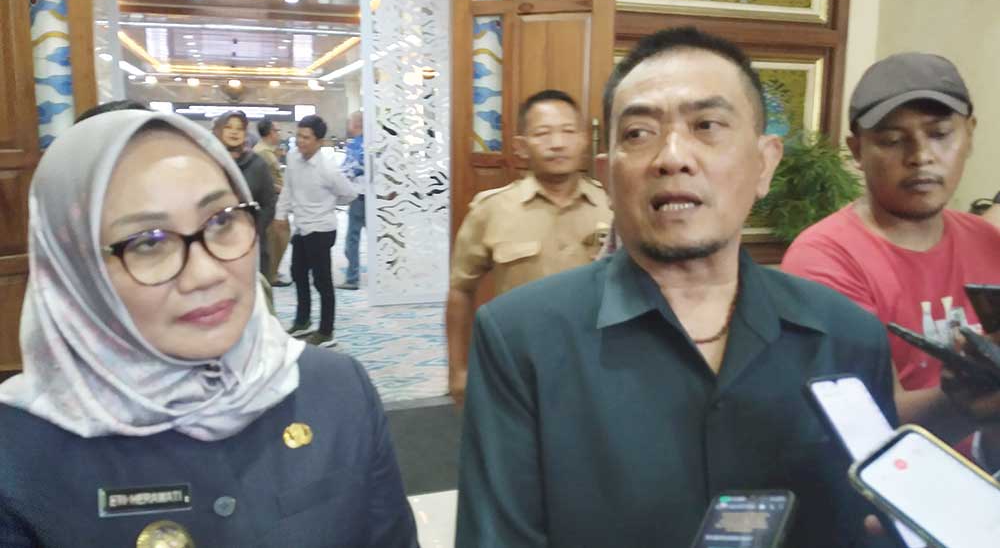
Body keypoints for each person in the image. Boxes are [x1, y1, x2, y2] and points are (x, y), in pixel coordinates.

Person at [456, 27, 898, 548]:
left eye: (706, 126)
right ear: (608, 175)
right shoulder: (519, 338)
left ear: (764, 164)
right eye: (638, 133)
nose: (672, 157)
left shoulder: (848, 337)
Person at [0, 110, 416, 547]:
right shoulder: (18, 453)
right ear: (74, 270)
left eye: (221, 221)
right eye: (148, 242)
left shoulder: (335, 389)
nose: (205, 273)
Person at [781, 53, 1000, 448]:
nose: (920, 156)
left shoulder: (988, 242)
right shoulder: (823, 260)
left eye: (940, 134)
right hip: (900, 481)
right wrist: (965, 400)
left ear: (969, 134)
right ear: (857, 150)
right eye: (892, 141)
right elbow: (862, 428)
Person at [446, 89, 613, 404]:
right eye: (542, 133)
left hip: (598, 363)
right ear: (521, 146)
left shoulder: (612, 207)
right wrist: (458, 370)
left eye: (568, 131)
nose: (557, 143)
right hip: (516, 365)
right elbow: (460, 289)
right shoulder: (492, 210)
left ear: (583, 140)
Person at [273, 115, 358, 348]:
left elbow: (349, 194)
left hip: (322, 228)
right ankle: (303, 321)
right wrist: (280, 214)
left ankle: (326, 331)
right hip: (302, 227)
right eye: (299, 136)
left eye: (306, 137)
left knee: (322, 281)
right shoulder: (293, 158)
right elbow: (288, 189)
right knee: (298, 273)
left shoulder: (328, 168)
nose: (301, 141)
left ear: (319, 141)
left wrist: (327, 205)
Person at [214, 111, 276, 277]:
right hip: (215, 242)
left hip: (251, 243)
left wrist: (252, 230)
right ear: (219, 130)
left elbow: (269, 204)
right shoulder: (208, 163)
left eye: (239, 128)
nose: (234, 132)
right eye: (228, 127)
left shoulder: (257, 164)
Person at [254, 119, 291, 287]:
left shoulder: (268, 151)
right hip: (271, 201)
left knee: (277, 237)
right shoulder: (262, 152)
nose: (279, 133)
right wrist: (284, 191)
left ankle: (272, 271)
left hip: (276, 199)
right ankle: (270, 275)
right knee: (276, 238)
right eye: (277, 130)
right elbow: (266, 181)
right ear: (270, 132)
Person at [337, 111, 366, 291]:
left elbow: (348, 170)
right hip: (376, 198)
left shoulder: (355, 145)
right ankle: (388, 276)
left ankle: (352, 278)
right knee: (380, 239)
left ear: (356, 125)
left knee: (352, 241)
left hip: (358, 198)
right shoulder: (375, 143)